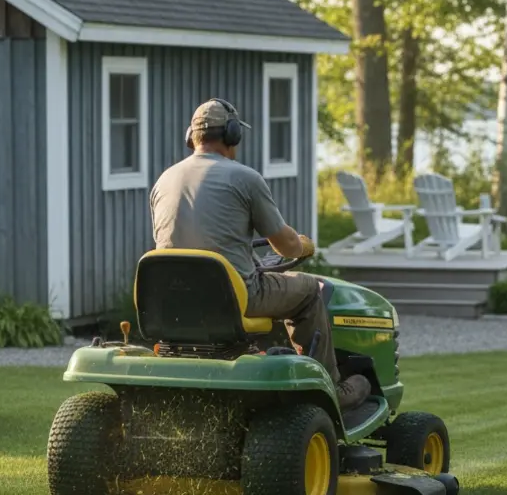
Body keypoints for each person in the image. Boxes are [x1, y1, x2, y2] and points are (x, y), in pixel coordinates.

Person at [149, 98, 372, 411]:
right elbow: (286, 246)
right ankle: (332, 388)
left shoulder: (163, 181)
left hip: (174, 302)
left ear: (192, 136)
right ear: (232, 134)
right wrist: (304, 246)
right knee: (308, 290)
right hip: (234, 296)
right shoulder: (245, 179)